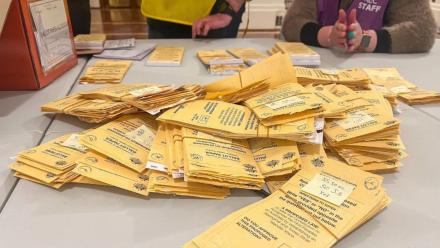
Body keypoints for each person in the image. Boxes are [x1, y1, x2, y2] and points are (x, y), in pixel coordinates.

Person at [281, 0, 437, 53]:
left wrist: (364, 40)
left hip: (377, 77)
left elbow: (423, 30)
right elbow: (292, 23)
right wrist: (329, 36)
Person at [140, 0, 247, 39]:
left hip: (214, 10)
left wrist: (232, 7)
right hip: (161, 10)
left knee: (214, 82)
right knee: (162, 81)